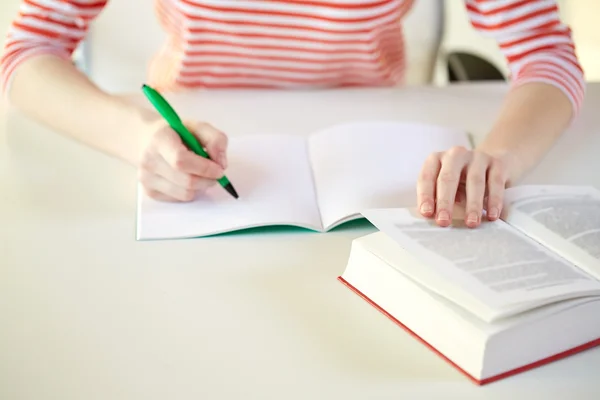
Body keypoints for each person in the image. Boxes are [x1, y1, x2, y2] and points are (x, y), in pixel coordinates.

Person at [0, 0, 584, 229]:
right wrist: (141, 138)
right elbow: (26, 53)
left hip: (369, 147)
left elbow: (546, 52)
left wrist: (500, 159)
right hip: (193, 134)